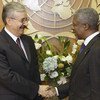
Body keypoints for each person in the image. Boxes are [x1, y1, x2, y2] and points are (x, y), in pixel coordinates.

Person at [0, 2, 53, 100]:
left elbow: (34, 70)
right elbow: (7, 77)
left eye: (26, 19)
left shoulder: (28, 40)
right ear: (9, 21)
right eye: (22, 20)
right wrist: (37, 89)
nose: (26, 24)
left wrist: (39, 93)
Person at [47, 8, 100, 100]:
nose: (72, 28)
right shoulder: (90, 45)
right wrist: (56, 90)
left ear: (85, 26)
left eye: (75, 25)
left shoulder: (97, 49)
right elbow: (80, 82)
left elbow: (97, 89)